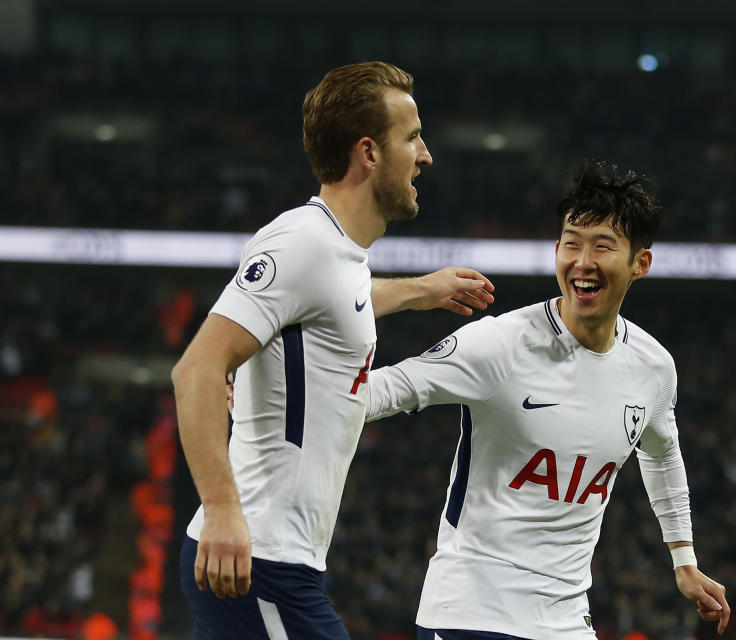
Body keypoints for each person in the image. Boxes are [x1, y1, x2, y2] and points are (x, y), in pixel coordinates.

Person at [171, 61, 495, 640]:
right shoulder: (304, 243)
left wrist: (421, 290)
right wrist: (221, 507)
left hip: (272, 562)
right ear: (368, 153)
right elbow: (197, 367)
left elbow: (335, 300)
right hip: (259, 561)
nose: (425, 155)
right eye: (413, 137)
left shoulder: (335, 254)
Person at [366, 161, 731, 639]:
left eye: (603, 246)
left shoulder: (653, 368)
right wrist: (266, 389)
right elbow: (383, 391)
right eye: (572, 243)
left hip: (564, 622)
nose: (583, 261)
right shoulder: (501, 345)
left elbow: (663, 455)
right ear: (556, 250)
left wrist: (684, 560)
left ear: (640, 263)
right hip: (471, 614)